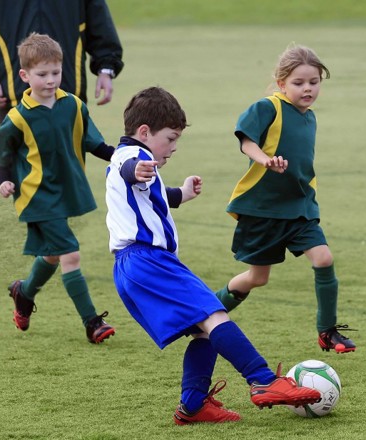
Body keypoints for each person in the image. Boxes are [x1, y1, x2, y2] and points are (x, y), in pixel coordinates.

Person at [105, 86, 322, 425]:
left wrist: (182, 193)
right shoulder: (128, 156)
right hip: (146, 260)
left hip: (139, 265)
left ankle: (193, 404)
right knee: (213, 314)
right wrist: (139, 169)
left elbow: (154, 197)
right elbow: (128, 169)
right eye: (171, 138)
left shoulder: (145, 164)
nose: (174, 147)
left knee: (203, 330)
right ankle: (263, 380)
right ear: (144, 132)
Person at [216, 44, 356, 354]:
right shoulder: (268, 107)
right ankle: (205, 314)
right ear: (282, 84)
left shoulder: (310, 118)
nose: (308, 88)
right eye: (299, 83)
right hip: (263, 209)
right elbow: (246, 141)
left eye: (314, 82)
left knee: (324, 259)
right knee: (257, 277)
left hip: (299, 207)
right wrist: (264, 160)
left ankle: (327, 331)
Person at [0, 33, 115, 343]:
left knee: (52, 255)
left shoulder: (73, 104)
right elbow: (1, 154)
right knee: (70, 253)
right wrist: (3, 179)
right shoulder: (17, 118)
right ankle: (92, 322)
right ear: (25, 75)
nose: (50, 80)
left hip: (67, 190)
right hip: (36, 195)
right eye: (42, 74)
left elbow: (93, 142)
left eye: (56, 73)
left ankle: (24, 292)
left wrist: (122, 154)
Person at [0, 0, 123, 124]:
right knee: (12, 161)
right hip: (14, 99)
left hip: (68, 97)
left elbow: (99, 21)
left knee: (68, 160)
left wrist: (106, 69)